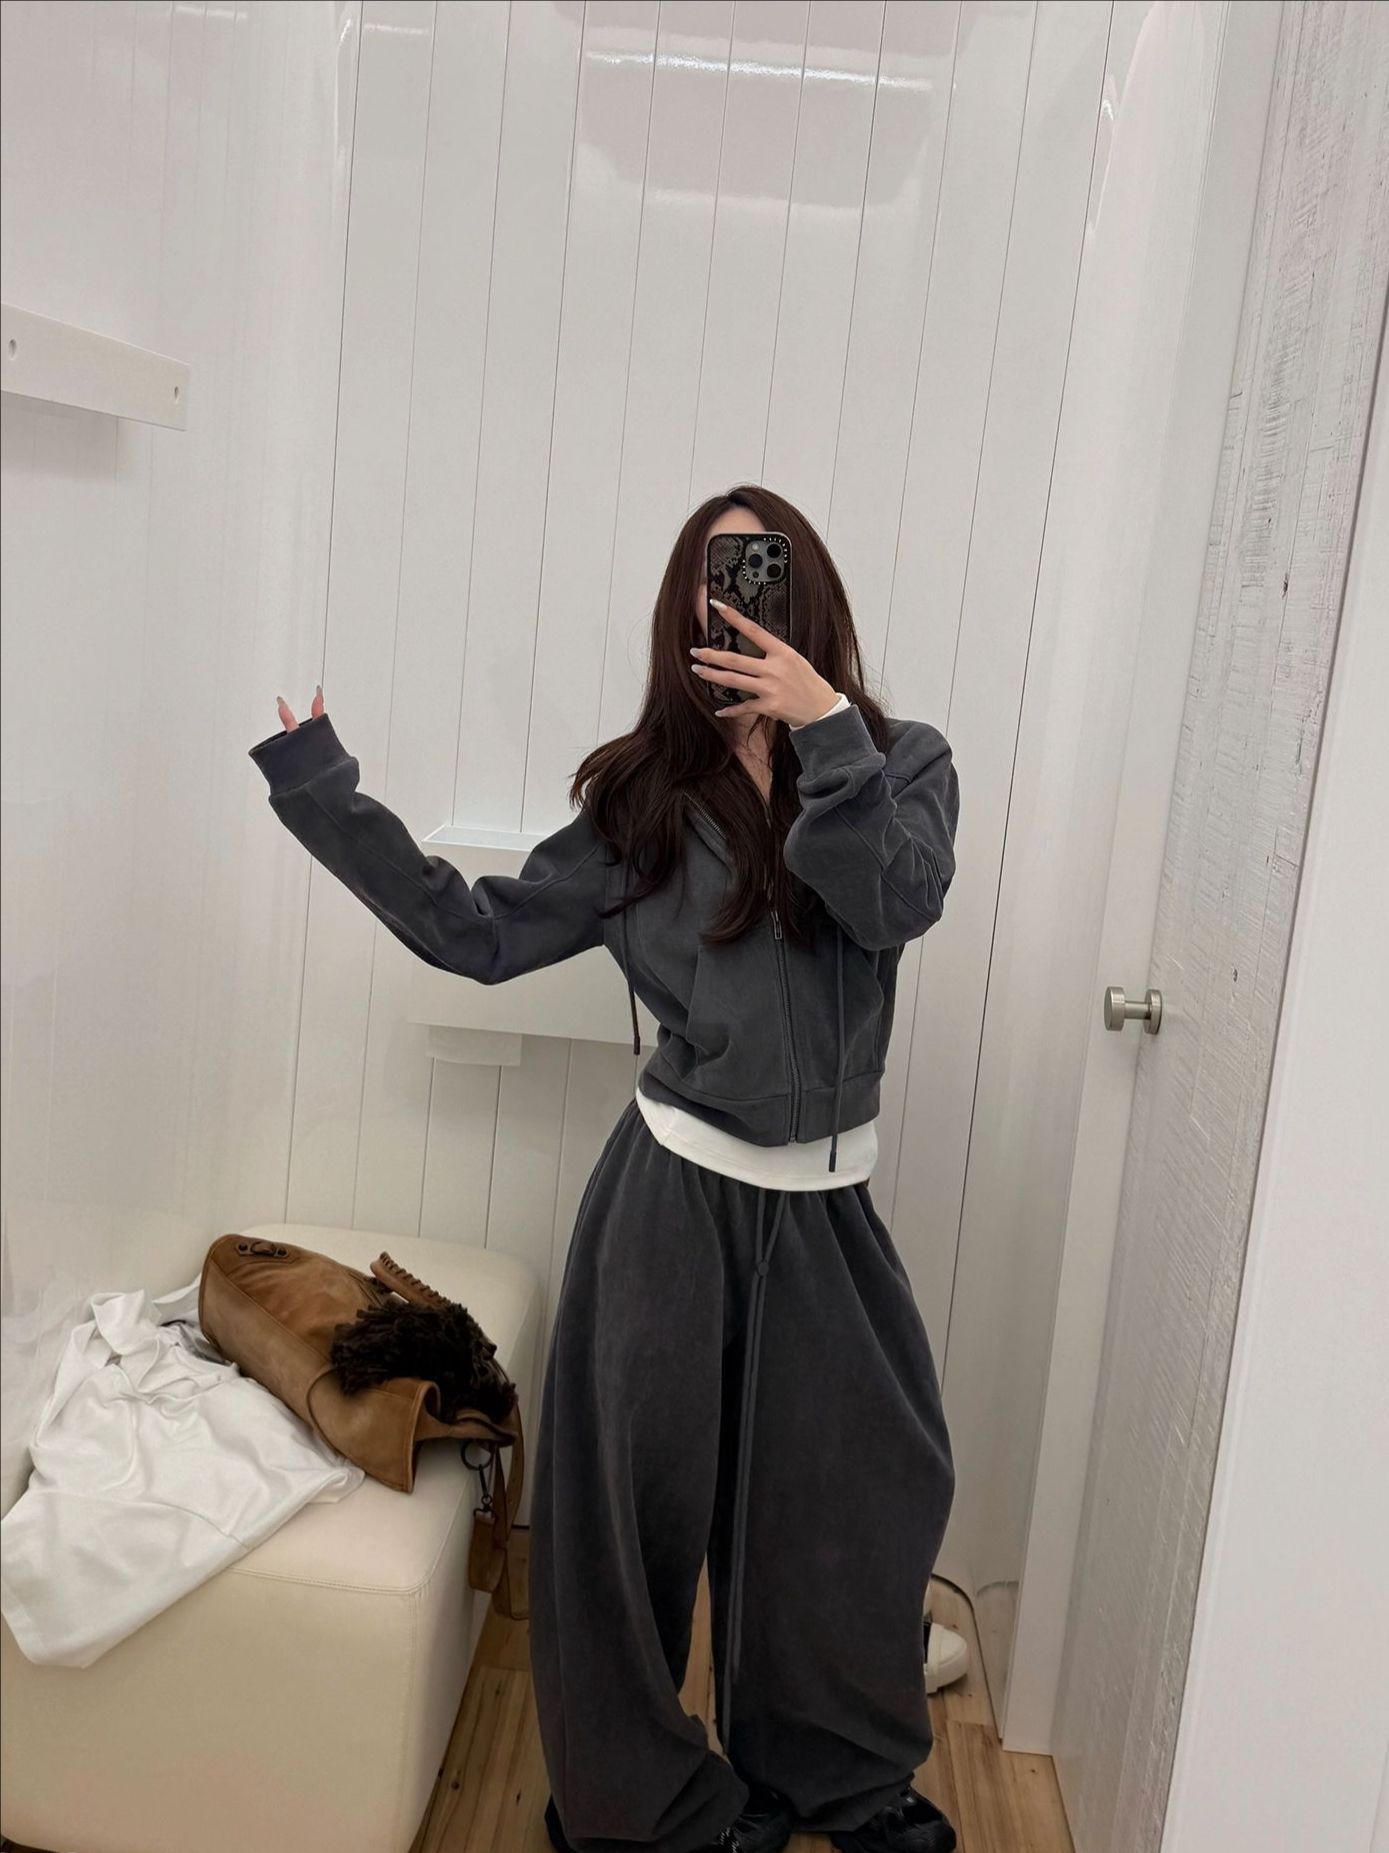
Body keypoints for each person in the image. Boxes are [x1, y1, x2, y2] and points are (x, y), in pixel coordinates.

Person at [247, 485, 961, 1853]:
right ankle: (634, 1809)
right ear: (682, 606)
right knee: (623, 1523)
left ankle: (840, 1778)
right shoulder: (643, 799)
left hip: (825, 1213)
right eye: (712, 574)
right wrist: (324, 792)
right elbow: (477, 936)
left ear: (806, 587)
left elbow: (892, 900)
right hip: (671, 1201)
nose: (736, 594)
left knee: (851, 1512)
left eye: (758, 568)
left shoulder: (895, 760)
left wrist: (821, 728)